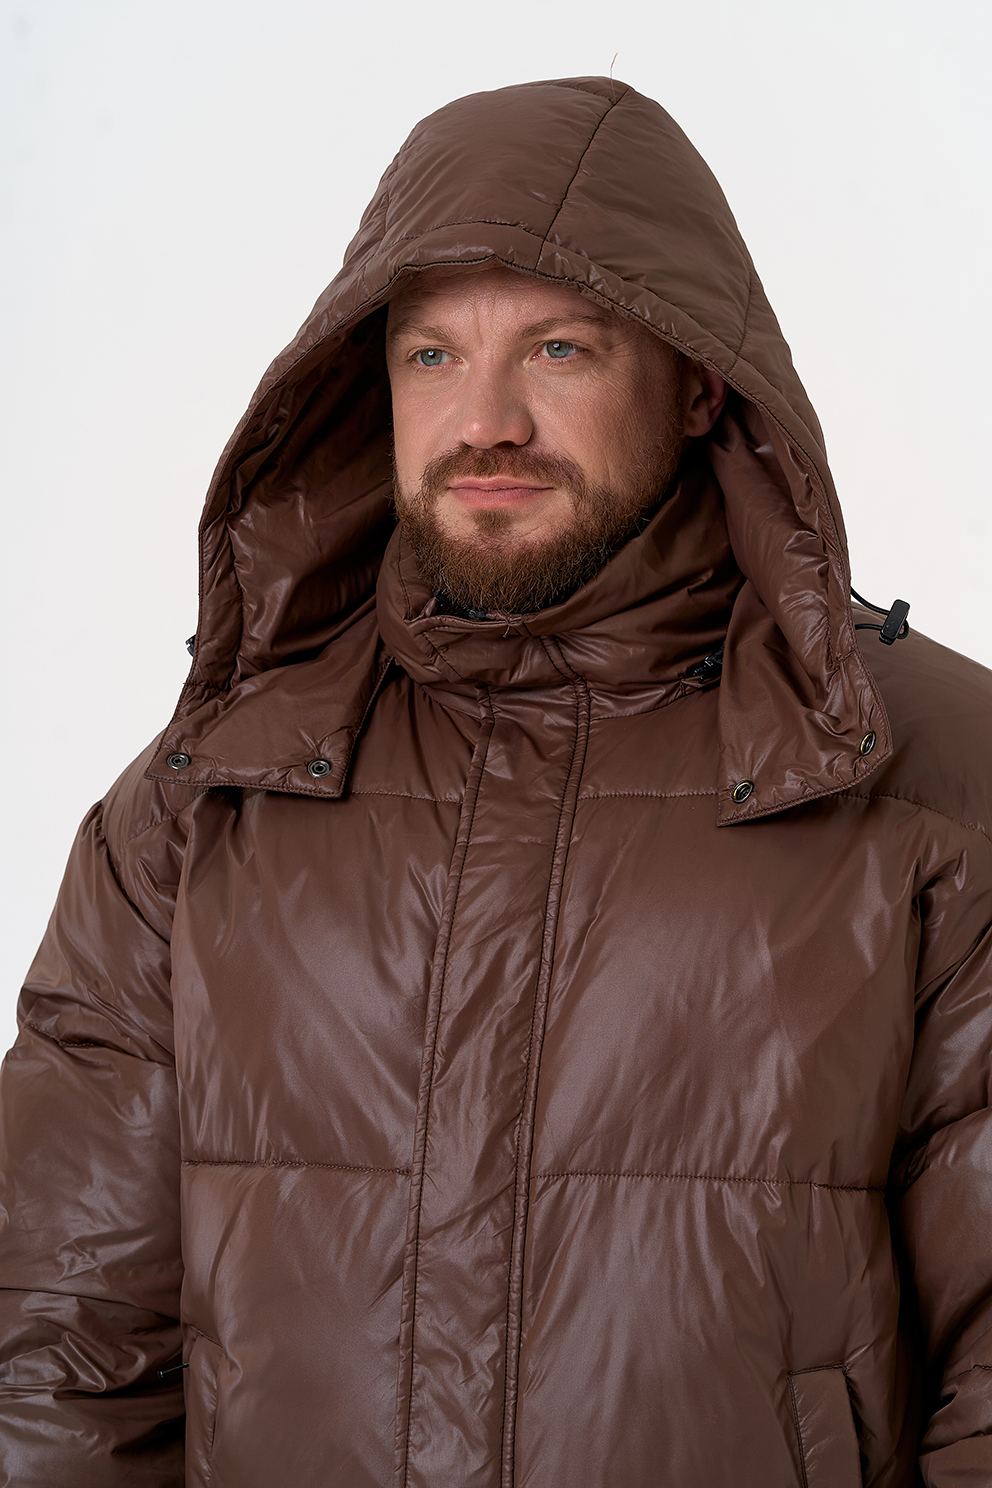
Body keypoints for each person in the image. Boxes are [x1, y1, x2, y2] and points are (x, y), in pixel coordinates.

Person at [0, 74, 989, 1488]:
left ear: (699, 380)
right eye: (431, 357)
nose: (487, 420)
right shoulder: (212, 797)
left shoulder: (931, 781)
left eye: (560, 349)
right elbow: (60, 1350)